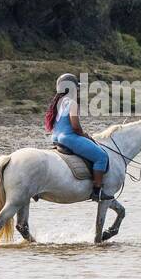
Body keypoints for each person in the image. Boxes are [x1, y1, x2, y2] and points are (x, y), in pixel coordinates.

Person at [43, 73, 113, 201]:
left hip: (55, 137)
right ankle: (97, 191)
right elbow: (75, 126)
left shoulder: (57, 102)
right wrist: (85, 135)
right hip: (68, 138)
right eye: (77, 88)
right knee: (101, 157)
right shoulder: (72, 103)